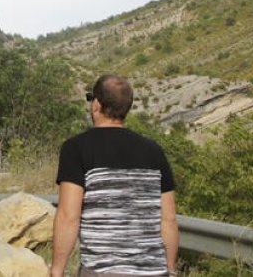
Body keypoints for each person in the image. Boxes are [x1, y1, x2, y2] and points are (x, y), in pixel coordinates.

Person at [50, 74, 179, 277]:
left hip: (102, 271)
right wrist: (170, 270)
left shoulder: (76, 148)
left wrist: (57, 271)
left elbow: (69, 216)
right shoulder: (154, 151)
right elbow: (168, 219)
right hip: (154, 272)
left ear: (96, 105)